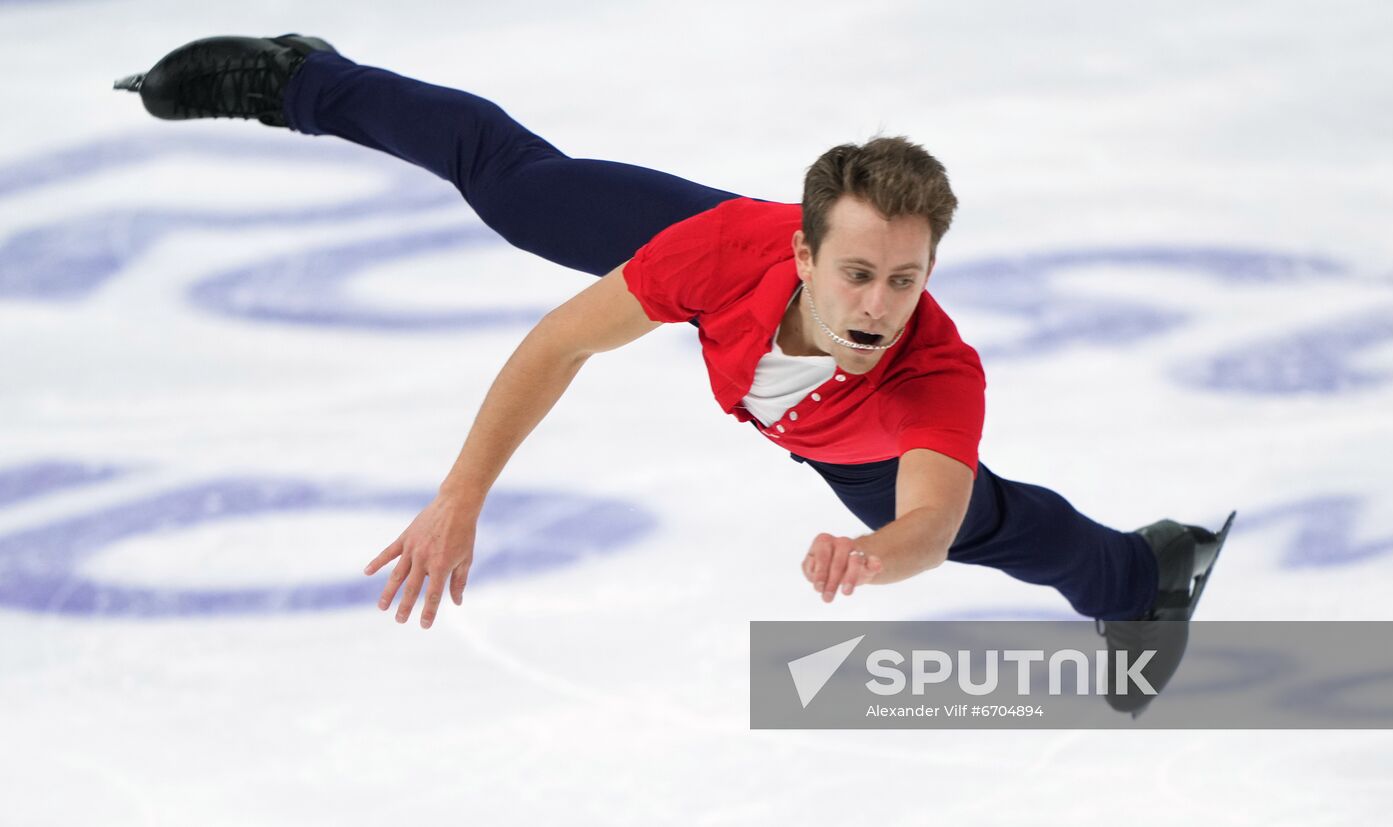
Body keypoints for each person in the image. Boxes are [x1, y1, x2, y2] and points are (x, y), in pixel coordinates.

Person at [115, 34, 1232, 717]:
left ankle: (1143, 577)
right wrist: (461, 495)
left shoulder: (931, 377)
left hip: (844, 446)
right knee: (520, 192)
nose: (876, 307)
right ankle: (301, 79)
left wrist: (869, 552)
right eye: (853, 273)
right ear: (802, 253)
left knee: (989, 522)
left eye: (904, 278)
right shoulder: (722, 253)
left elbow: (931, 523)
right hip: (729, 283)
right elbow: (557, 342)